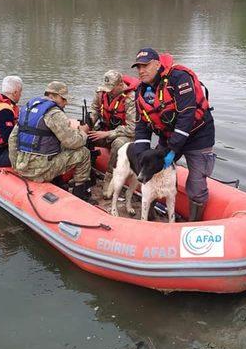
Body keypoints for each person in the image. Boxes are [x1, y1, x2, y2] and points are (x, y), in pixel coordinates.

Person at [132, 48, 215, 221]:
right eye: (138, 67)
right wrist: (141, 156)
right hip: (169, 136)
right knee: (153, 169)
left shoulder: (179, 78)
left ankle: (193, 223)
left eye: (145, 66)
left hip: (198, 135)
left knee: (197, 183)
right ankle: (151, 214)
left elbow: (187, 115)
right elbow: (141, 126)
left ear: (157, 64)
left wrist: (172, 150)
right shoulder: (141, 92)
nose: (141, 71)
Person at [8, 81, 94, 202]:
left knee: (58, 147)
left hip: (22, 165)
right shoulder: (54, 113)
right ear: (53, 96)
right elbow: (73, 142)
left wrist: (15, 166)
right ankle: (80, 194)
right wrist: (83, 133)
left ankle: (57, 181)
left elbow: (12, 139)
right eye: (63, 99)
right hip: (40, 171)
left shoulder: (28, 107)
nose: (66, 103)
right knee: (84, 153)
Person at [87, 70, 137, 196]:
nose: (108, 92)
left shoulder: (130, 99)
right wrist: (89, 123)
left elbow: (132, 128)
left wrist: (108, 134)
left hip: (126, 135)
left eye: (111, 89)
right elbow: (95, 109)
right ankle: (87, 171)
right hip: (106, 129)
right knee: (85, 138)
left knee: (118, 144)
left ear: (120, 85)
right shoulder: (101, 93)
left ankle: (109, 178)